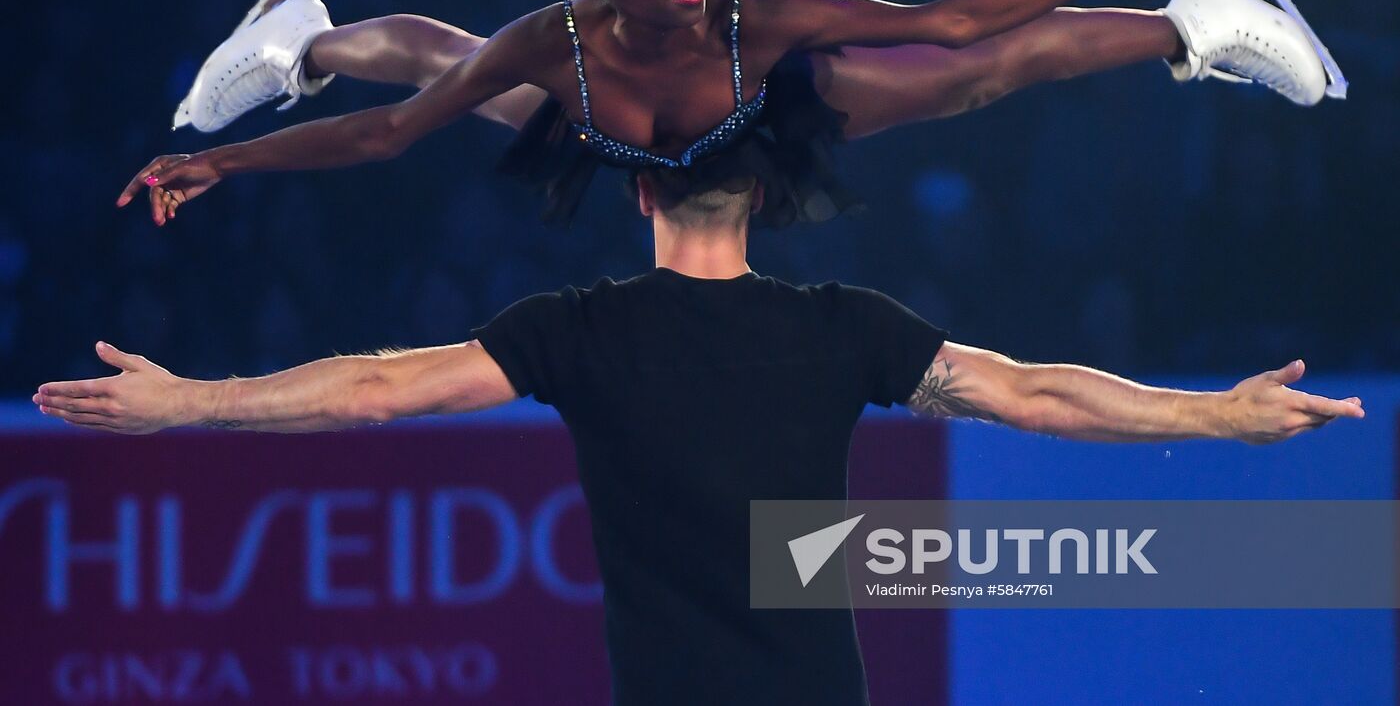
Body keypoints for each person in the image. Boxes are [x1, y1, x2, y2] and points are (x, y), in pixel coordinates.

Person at [46, 150, 1363, 705]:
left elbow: (377, 386)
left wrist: (187, 404)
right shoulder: (843, 323)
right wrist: (1224, 418)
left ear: (640, 201)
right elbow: (1038, 392)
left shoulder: (585, 326)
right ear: (762, 201)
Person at [120, 0, 1326, 224]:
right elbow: (387, 138)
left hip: (756, 111)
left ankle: (1192, 23)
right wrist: (225, 164)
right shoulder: (556, 41)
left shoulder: (756, 14)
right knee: (439, 62)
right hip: (609, 124)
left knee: (969, 75)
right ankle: (300, 42)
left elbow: (952, 19)